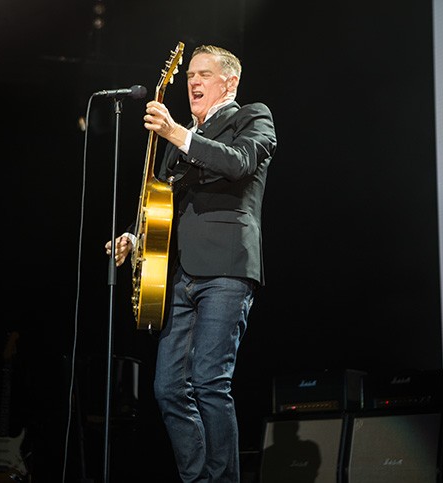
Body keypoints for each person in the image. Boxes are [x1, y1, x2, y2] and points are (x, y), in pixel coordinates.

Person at [105, 44, 277, 482]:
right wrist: (134, 235)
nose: (193, 82)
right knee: (166, 388)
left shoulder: (251, 117)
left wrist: (180, 134)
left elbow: (238, 164)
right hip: (179, 274)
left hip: (227, 269)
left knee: (209, 383)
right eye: (190, 76)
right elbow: (163, 200)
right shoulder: (177, 140)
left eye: (203, 74)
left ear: (230, 81)